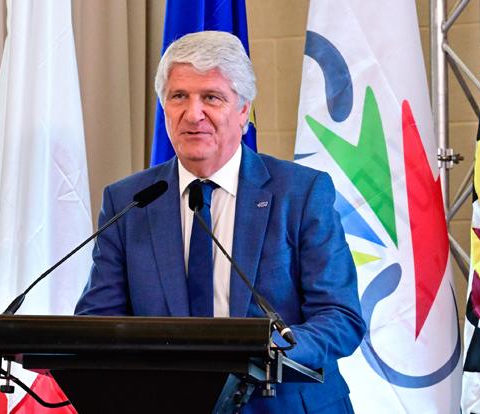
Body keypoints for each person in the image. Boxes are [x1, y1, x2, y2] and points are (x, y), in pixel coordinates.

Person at [75, 31, 366, 413]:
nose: (193, 113)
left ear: (243, 111)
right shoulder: (129, 201)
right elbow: (98, 321)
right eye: (179, 96)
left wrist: (271, 348)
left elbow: (340, 317)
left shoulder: (300, 193)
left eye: (211, 97)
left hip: (285, 404)